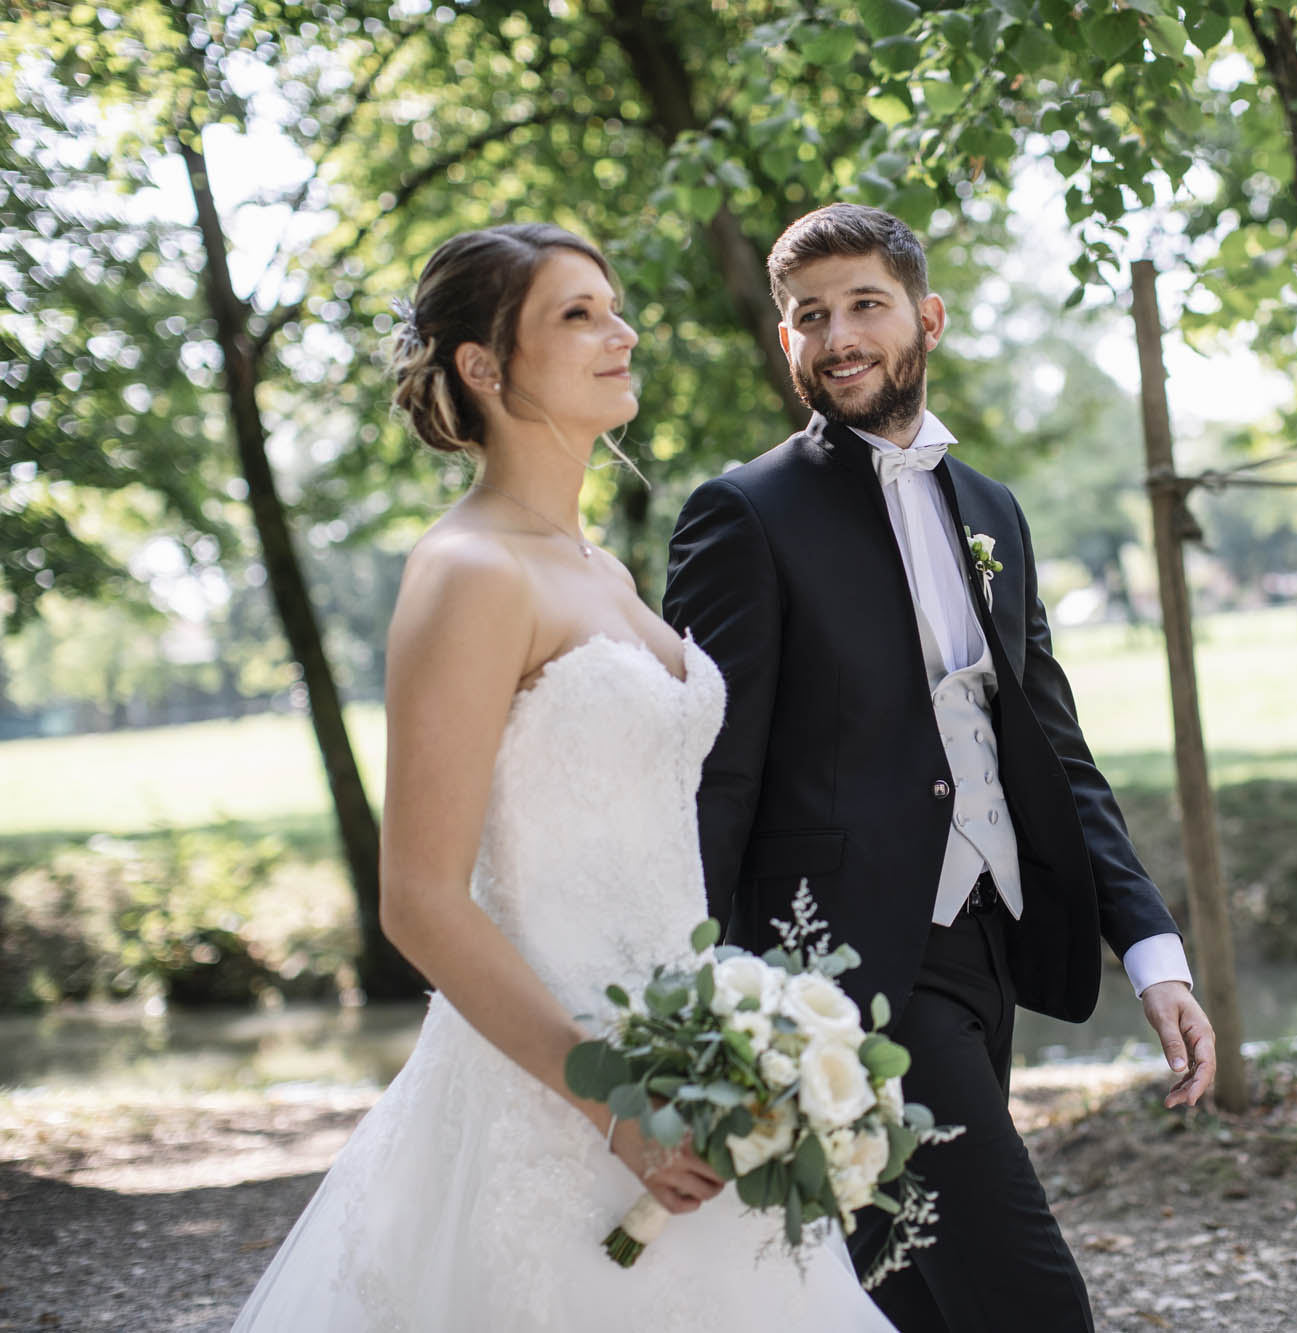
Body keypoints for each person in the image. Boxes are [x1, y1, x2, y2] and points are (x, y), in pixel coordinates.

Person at [231, 223, 892, 1333]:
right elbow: (419, 897)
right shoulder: (469, 571)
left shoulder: (603, 571)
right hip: (557, 1087)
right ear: (482, 367)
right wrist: (613, 1104)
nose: (620, 333)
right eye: (577, 315)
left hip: (686, 1062)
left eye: (613, 307)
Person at [660, 203, 1218, 1333]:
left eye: (865, 305)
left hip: (985, 942)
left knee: (910, 1294)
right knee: (1028, 1302)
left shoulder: (991, 510)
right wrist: (693, 1002)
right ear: (786, 339)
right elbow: (708, 780)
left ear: (928, 318)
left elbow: (1051, 750)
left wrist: (1151, 950)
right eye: (809, 317)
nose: (838, 337)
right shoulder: (742, 514)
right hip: (837, 969)